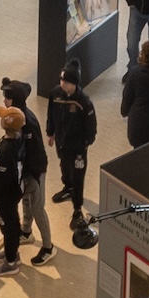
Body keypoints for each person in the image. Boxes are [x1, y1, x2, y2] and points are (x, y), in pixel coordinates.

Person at [0, 79, 53, 263]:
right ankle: (26, 232)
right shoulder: (17, 116)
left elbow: (35, 151)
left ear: (16, 99)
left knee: (37, 207)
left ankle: (48, 247)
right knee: (26, 202)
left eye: (7, 97)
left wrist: (33, 176)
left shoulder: (27, 121)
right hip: (26, 170)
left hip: (35, 170)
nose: (4, 101)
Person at [46, 61, 98, 224]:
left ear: (75, 83)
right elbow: (51, 114)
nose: (62, 84)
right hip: (62, 143)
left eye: (66, 81)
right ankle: (67, 188)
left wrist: (87, 142)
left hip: (77, 147)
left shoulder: (83, 101)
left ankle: (77, 208)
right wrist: (50, 132)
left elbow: (91, 125)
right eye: (61, 80)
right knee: (64, 168)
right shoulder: (55, 94)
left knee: (78, 176)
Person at [0, 106, 32, 275]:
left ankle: (10, 262)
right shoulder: (20, 140)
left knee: (8, 227)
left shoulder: (6, 150)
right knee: (12, 223)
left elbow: (0, 178)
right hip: (16, 190)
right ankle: (11, 253)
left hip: (6, 195)